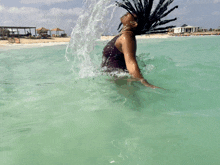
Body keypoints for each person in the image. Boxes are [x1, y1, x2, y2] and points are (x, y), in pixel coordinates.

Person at [101, 0, 178, 89]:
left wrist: (144, 82)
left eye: (132, 14)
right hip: (117, 80)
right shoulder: (124, 36)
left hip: (122, 82)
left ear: (134, 23)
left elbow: (131, 63)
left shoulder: (127, 37)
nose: (128, 12)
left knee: (131, 102)